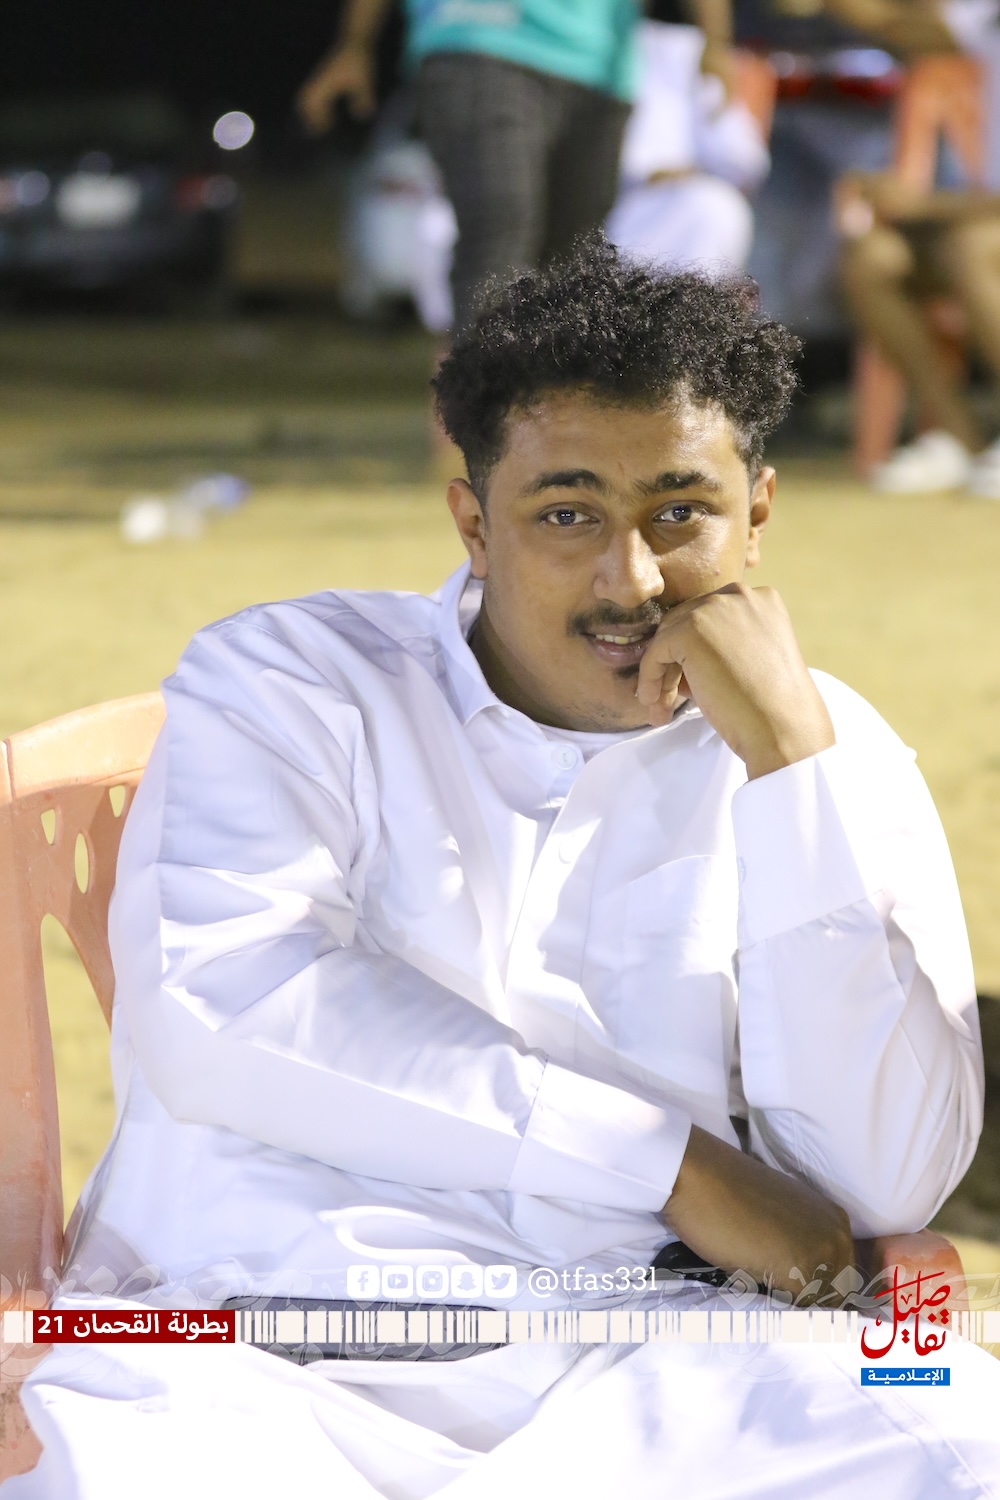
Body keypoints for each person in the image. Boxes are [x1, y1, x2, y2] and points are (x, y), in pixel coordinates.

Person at [7, 238, 998, 1499]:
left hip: (664, 1361)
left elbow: (884, 1180)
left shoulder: (827, 746)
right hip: (256, 1357)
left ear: (758, 513)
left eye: (681, 512)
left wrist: (793, 775)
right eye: (567, 514)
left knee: (956, 1456)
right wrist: (670, 1167)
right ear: (474, 523)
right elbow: (224, 1007)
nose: (630, 580)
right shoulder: (294, 684)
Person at [298, 0, 736, 331]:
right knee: (499, 227)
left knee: (572, 266)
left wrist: (716, 41)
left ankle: (548, 416)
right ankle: (484, 414)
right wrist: (354, 42)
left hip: (599, 62)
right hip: (475, 33)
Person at [839, 169, 1000, 494]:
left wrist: (923, 205)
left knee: (969, 248)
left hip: (965, 224)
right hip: (944, 225)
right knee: (871, 258)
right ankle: (958, 437)